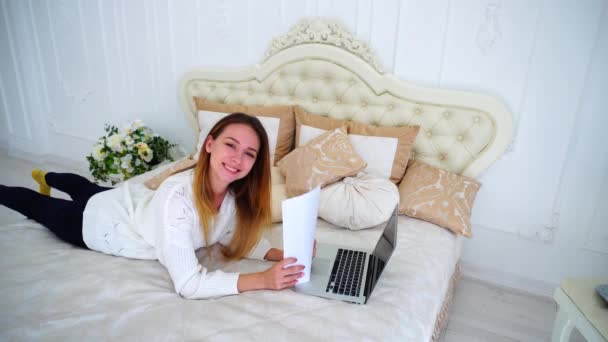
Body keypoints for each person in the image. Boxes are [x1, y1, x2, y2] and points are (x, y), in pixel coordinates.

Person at [0, 113, 306, 299]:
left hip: (128, 199)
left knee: (84, 187)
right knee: (34, 204)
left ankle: (48, 175)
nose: (238, 160)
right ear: (209, 145)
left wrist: (279, 254)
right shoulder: (178, 198)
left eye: (250, 154)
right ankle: (44, 177)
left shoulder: (233, 195)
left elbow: (228, 233)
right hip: (98, 224)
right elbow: (188, 284)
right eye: (231, 145)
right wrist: (263, 280)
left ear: (256, 163)